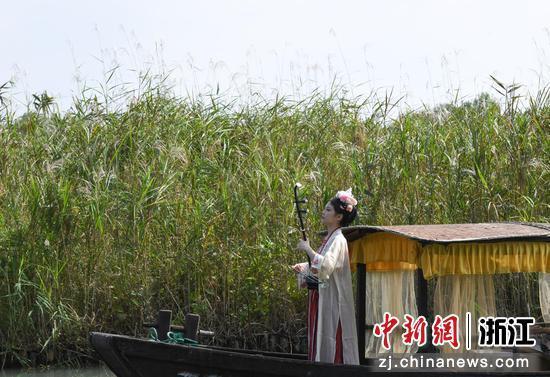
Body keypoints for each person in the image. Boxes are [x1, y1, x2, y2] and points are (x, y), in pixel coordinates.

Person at [292, 188, 360, 365]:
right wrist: (305, 267)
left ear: (339, 217)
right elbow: (321, 266)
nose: (323, 212)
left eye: (328, 209)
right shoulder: (330, 239)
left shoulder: (338, 239)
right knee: (320, 335)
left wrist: (308, 249)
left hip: (333, 301)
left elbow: (327, 266)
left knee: (332, 337)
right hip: (322, 297)